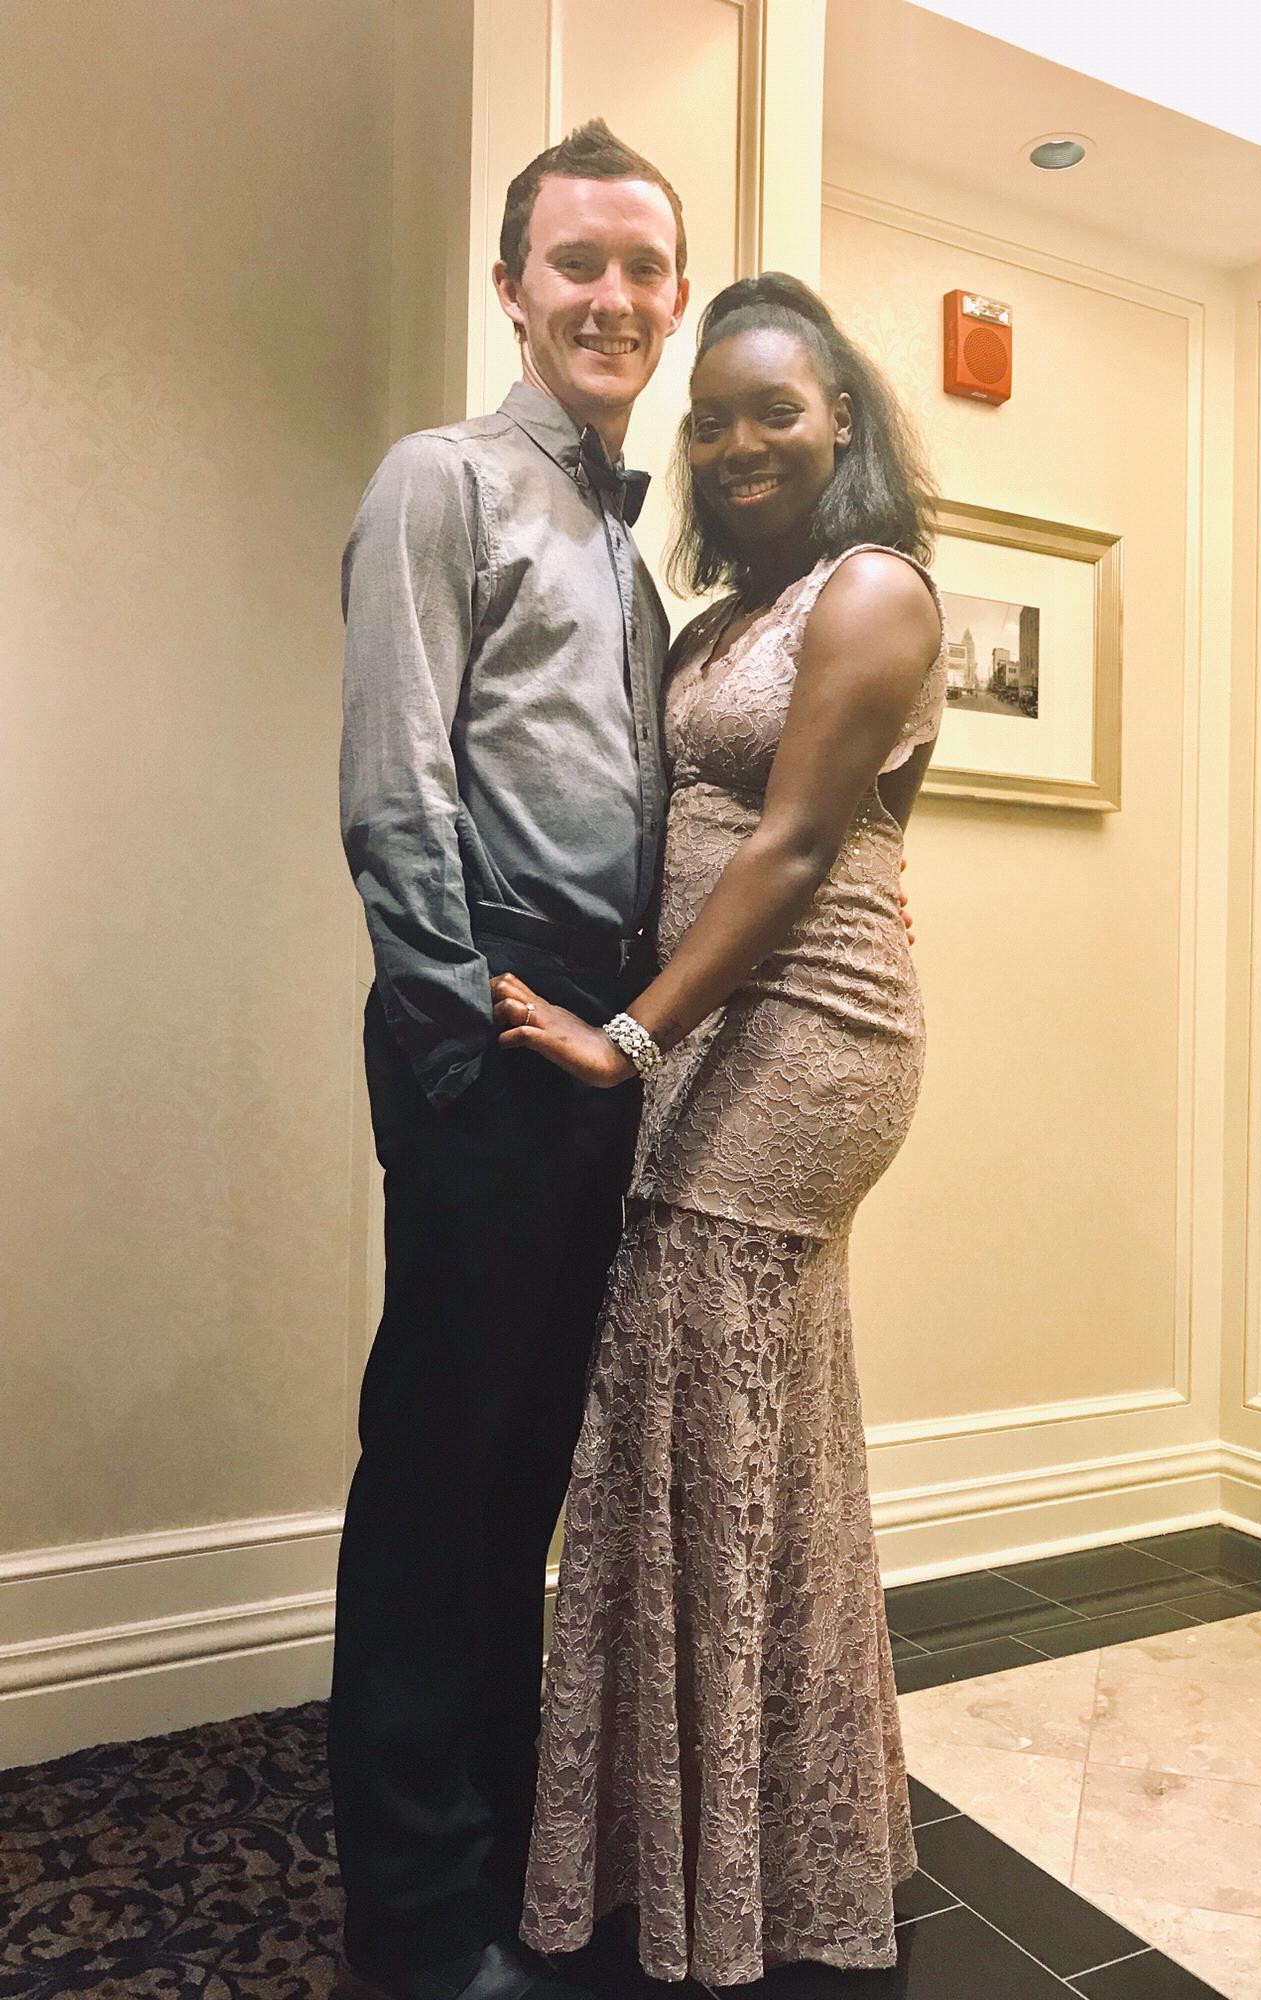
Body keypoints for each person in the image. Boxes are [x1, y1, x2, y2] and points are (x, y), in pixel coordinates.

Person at [493, 273, 945, 1988]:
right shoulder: (721, 620)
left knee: (702, 1407)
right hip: (716, 1030)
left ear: (843, 421)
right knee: (735, 1424)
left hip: (805, 1042)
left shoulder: (874, 587)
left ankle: (722, 1860)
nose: (740, 442)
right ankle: (745, 1837)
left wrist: (627, 1038)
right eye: (714, 420)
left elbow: (801, 844)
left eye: (777, 410)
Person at [331, 120, 690, 2000]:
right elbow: (397, 786)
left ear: (674, 298)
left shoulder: (630, 555)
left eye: (643, 267)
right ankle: (411, 1920)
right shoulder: (443, 480)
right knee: (439, 1466)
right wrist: (467, 1036)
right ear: (512, 287)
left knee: (529, 1468)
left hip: (603, 1045)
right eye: (577, 263)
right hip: (492, 1023)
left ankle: (495, 1850)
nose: (611, 297)